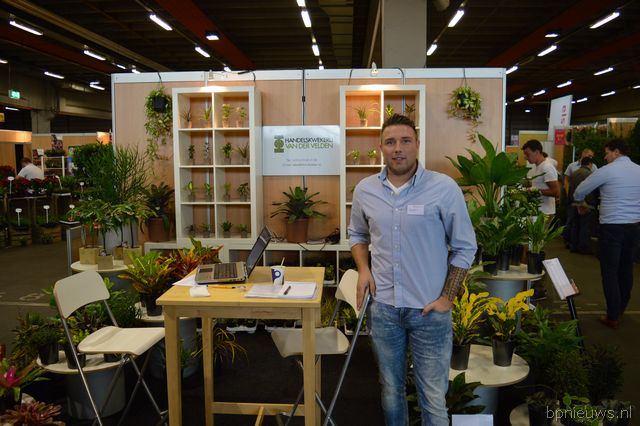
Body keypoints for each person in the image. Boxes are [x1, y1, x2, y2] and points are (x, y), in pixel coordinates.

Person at [348, 114, 476, 425]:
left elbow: (465, 246)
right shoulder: (365, 190)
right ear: (381, 147)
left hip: (429, 311)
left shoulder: (443, 188)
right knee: (391, 390)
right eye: (390, 142)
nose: (398, 148)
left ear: (417, 144)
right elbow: (358, 235)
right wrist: (363, 268)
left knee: (432, 397)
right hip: (384, 309)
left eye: (405, 141)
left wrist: (447, 298)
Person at [573, 139, 640, 329]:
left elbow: (580, 191)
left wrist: (581, 203)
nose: (605, 157)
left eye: (607, 152)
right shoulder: (638, 170)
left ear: (616, 152)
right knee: (626, 268)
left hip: (612, 226)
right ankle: (620, 309)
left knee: (610, 270)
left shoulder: (607, 170)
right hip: (634, 226)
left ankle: (612, 315)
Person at [563, 148, 597, 246]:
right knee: (574, 221)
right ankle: (571, 242)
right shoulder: (572, 166)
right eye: (589, 156)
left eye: (592, 156)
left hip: (578, 198)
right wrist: (567, 192)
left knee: (575, 223)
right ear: (583, 154)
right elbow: (566, 180)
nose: (591, 158)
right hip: (582, 200)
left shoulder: (594, 167)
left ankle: (573, 243)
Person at [522, 139, 560, 215]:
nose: (525, 157)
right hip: (540, 211)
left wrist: (534, 191)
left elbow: (556, 192)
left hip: (546, 212)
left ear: (537, 152)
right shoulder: (539, 166)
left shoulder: (547, 167)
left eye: (527, 154)